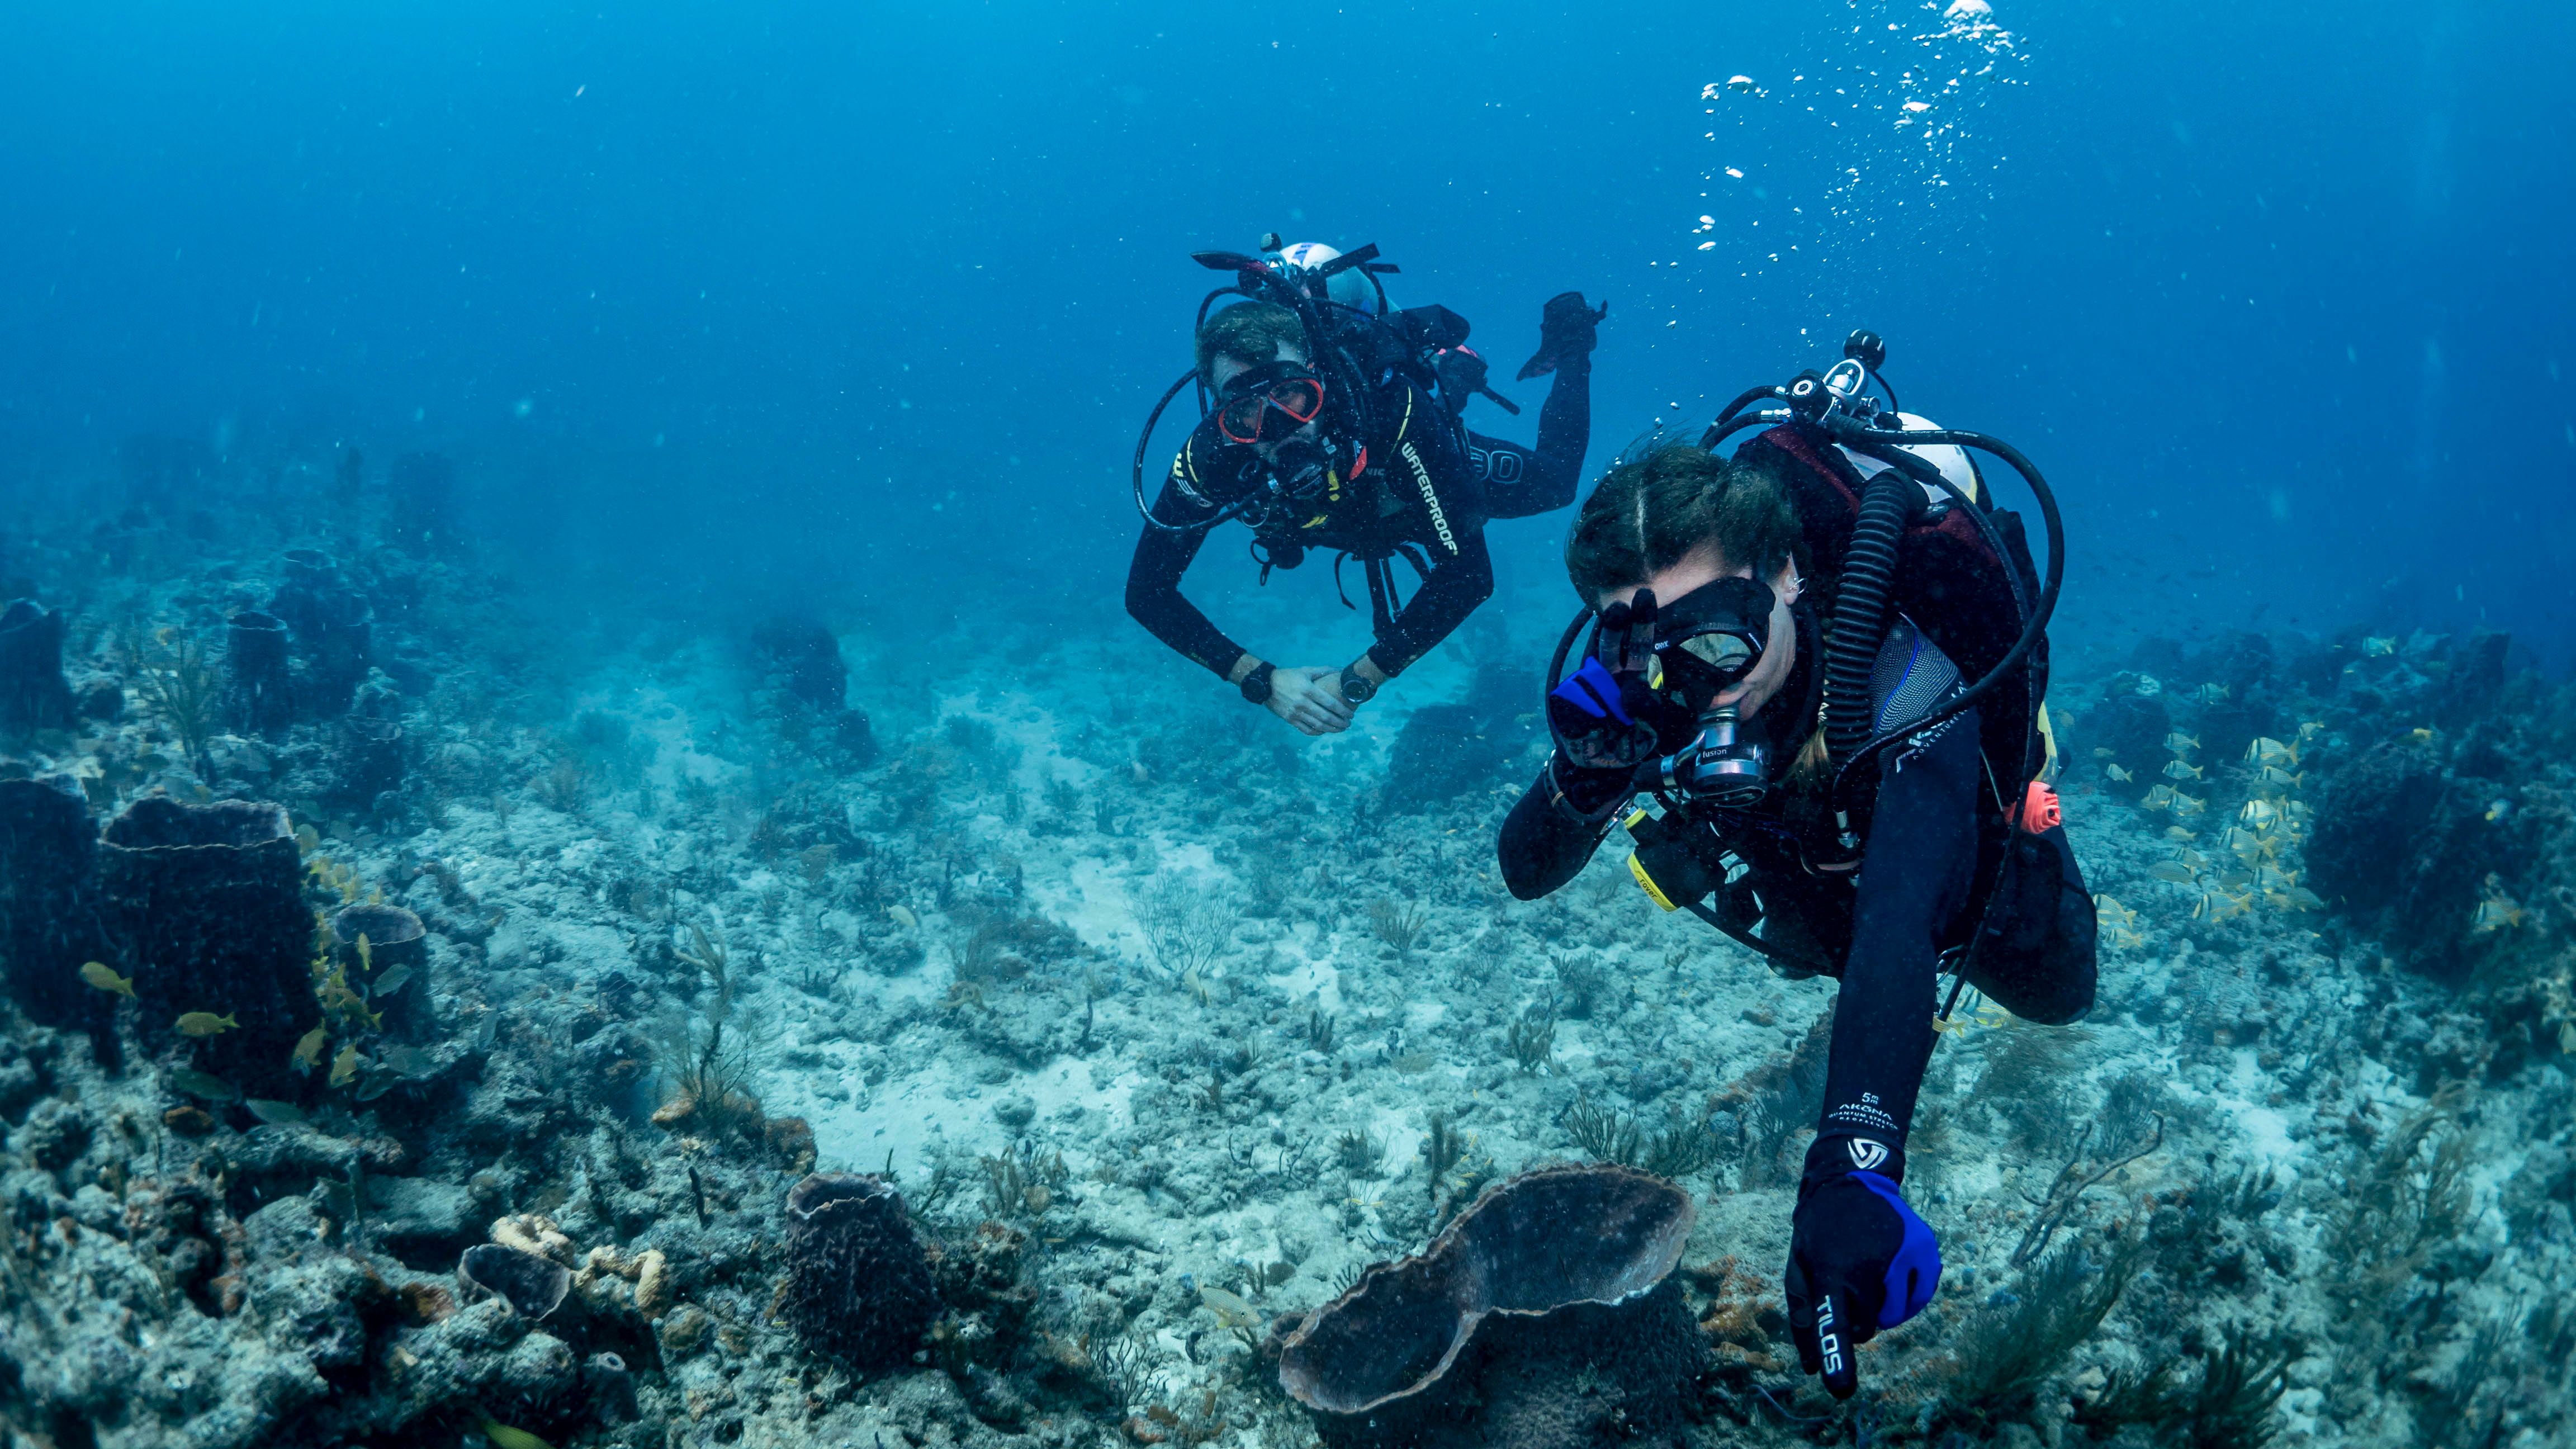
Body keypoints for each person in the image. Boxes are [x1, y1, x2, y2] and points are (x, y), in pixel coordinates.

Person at [1497, 407, 2096, 1400]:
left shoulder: (1907, 684)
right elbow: (1524, 868)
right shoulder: (1651, 684)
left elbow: (1900, 928)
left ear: (1786, 576)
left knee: (2052, 983)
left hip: (1934, 842)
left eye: (1718, 640)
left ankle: (2031, 791)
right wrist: (1587, 778)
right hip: (1811, 869)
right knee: (1820, 931)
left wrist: (1850, 1170)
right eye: (1652, 650)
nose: (1696, 688)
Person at [1125, 245, 1600, 735]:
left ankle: (1569, 347)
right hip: (1355, 512)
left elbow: (1469, 576)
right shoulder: (1214, 456)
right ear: (1221, 414)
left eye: (1292, 395)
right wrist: (1260, 681)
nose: (1278, 427)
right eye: (1246, 411)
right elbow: (1146, 593)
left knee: (1557, 485)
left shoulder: (1393, 413)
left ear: (1318, 378)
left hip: (1397, 475)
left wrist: (1360, 679)